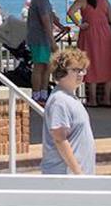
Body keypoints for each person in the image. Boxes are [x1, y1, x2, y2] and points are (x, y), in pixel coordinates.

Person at [40, 46, 94, 175]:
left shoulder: (71, 98)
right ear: (61, 72)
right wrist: (77, 172)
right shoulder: (59, 101)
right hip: (65, 175)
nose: (81, 74)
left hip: (75, 176)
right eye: (76, 70)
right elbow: (60, 139)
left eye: (82, 70)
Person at [74, 0, 111, 106]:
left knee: (91, 64)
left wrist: (80, 24)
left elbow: (70, 12)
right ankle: (107, 99)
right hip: (105, 34)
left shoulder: (82, 0)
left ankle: (92, 99)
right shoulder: (104, 0)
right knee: (107, 63)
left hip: (89, 34)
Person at [24, 0, 60, 100]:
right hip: (40, 38)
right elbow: (45, 20)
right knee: (40, 66)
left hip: (40, 38)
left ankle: (43, 94)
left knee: (46, 66)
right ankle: (37, 95)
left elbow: (50, 16)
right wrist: (52, 42)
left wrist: (60, 26)